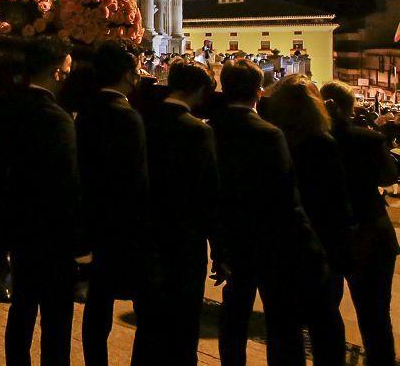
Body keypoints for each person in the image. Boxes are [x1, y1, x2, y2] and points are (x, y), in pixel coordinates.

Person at [208, 59, 325, 366]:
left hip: (233, 242)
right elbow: (286, 195)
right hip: (274, 243)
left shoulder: (209, 130)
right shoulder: (270, 134)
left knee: (233, 318)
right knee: (282, 322)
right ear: (259, 93)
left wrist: (219, 248)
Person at [133, 59, 225, 366]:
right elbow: (209, 194)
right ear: (199, 91)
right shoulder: (197, 131)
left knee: (147, 328)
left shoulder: (143, 121)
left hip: (147, 237)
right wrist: (221, 250)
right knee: (183, 328)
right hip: (184, 241)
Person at [1, 37, 85, 366]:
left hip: (20, 228)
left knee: (21, 310)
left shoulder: (10, 108)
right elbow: (67, 182)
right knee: (55, 320)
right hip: (53, 235)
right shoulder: (57, 118)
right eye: (66, 70)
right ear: (56, 73)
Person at [262, 75, 352, 365]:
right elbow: (337, 203)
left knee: (281, 327)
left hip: (278, 247)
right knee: (325, 322)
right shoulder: (323, 144)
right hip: (320, 246)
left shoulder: (271, 140)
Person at [74, 41, 149, 366]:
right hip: (123, 226)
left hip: (93, 218)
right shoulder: (128, 117)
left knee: (98, 304)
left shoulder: (87, 112)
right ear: (126, 75)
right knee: (143, 304)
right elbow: (135, 179)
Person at [321, 81, 400, 366]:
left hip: (327, 235)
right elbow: (389, 177)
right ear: (349, 107)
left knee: (326, 315)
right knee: (376, 318)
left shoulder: (312, 141)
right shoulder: (368, 139)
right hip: (371, 232)